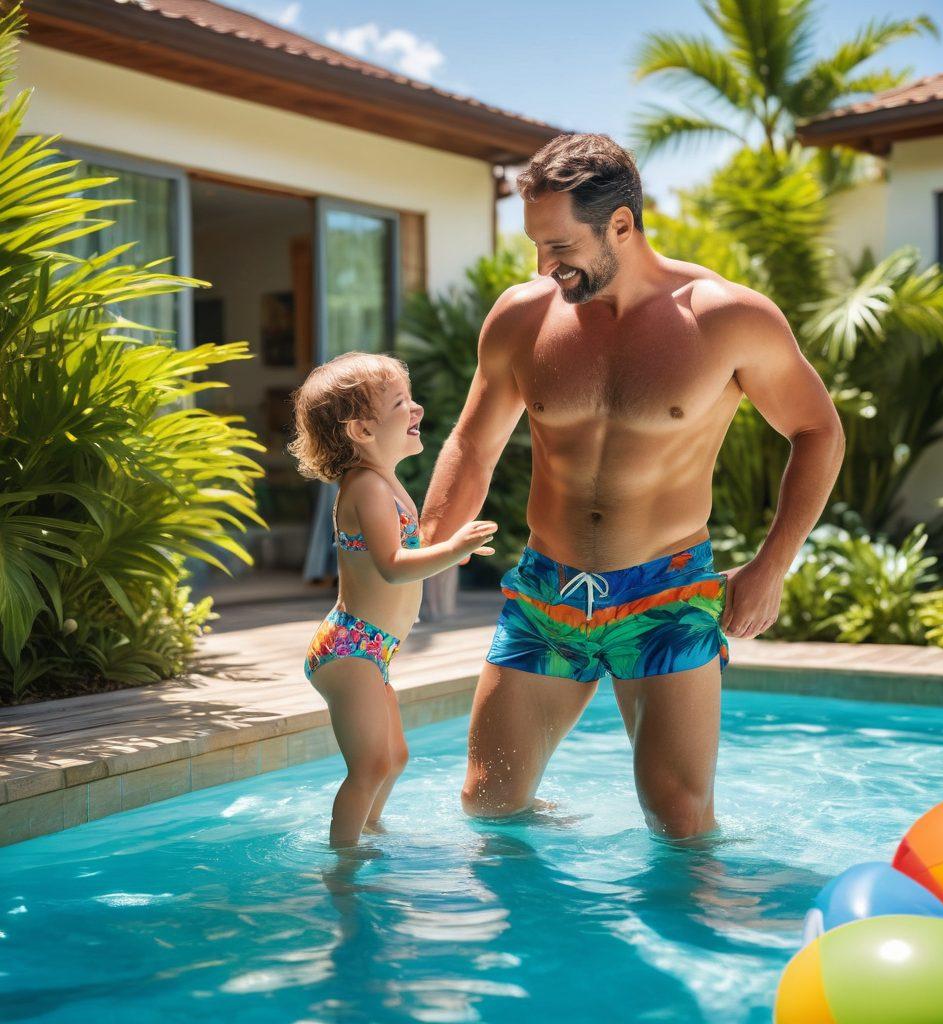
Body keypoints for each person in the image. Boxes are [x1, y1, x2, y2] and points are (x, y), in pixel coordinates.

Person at [419, 133, 845, 842]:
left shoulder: (727, 318)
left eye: (559, 247)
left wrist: (773, 565)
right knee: (488, 799)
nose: (543, 266)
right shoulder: (523, 317)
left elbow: (818, 430)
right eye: (535, 245)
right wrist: (424, 559)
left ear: (621, 224)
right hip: (547, 592)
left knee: (677, 817)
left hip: (666, 593)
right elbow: (472, 443)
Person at [289, 352, 498, 846]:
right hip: (349, 650)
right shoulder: (365, 487)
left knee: (394, 757)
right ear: (361, 431)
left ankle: (371, 830)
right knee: (370, 765)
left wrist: (445, 556)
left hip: (373, 650)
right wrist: (450, 549)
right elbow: (390, 565)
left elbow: (400, 554)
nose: (418, 410)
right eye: (402, 402)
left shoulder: (383, 481)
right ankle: (342, 864)